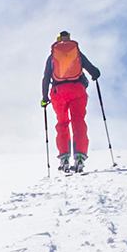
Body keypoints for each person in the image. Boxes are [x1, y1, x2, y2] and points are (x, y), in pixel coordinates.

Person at [41, 31, 100, 173]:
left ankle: (64, 157)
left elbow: (46, 78)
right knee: (78, 121)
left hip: (58, 93)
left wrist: (44, 99)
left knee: (62, 123)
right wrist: (95, 74)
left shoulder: (52, 57)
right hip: (77, 90)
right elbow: (93, 70)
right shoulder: (76, 54)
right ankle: (79, 156)